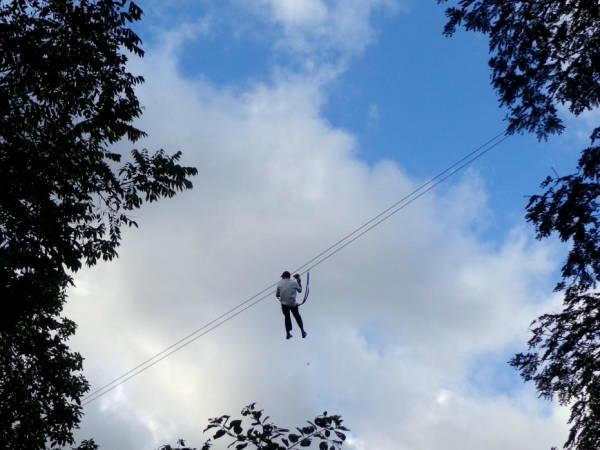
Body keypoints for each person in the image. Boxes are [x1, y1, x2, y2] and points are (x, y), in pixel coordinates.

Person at [275, 271, 307, 340]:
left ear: (283, 276)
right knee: (297, 316)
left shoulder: (279, 283)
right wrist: (299, 281)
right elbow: (300, 290)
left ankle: (288, 333)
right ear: (289, 276)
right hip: (293, 304)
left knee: (287, 317)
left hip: (284, 304)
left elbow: (277, 295)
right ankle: (302, 331)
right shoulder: (294, 283)